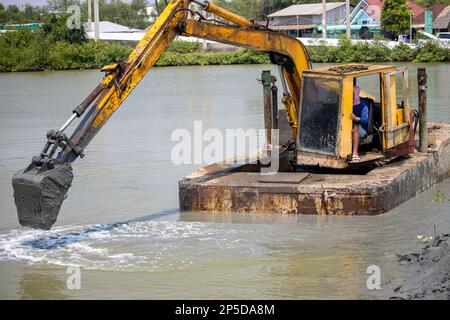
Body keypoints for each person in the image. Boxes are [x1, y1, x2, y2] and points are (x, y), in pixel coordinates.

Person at [350, 84, 369, 161]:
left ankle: (355, 153)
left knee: (355, 127)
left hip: (361, 129)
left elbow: (365, 121)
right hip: (346, 126)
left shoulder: (363, 107)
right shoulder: (343, 103)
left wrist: (356, 118)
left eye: (352, 95)